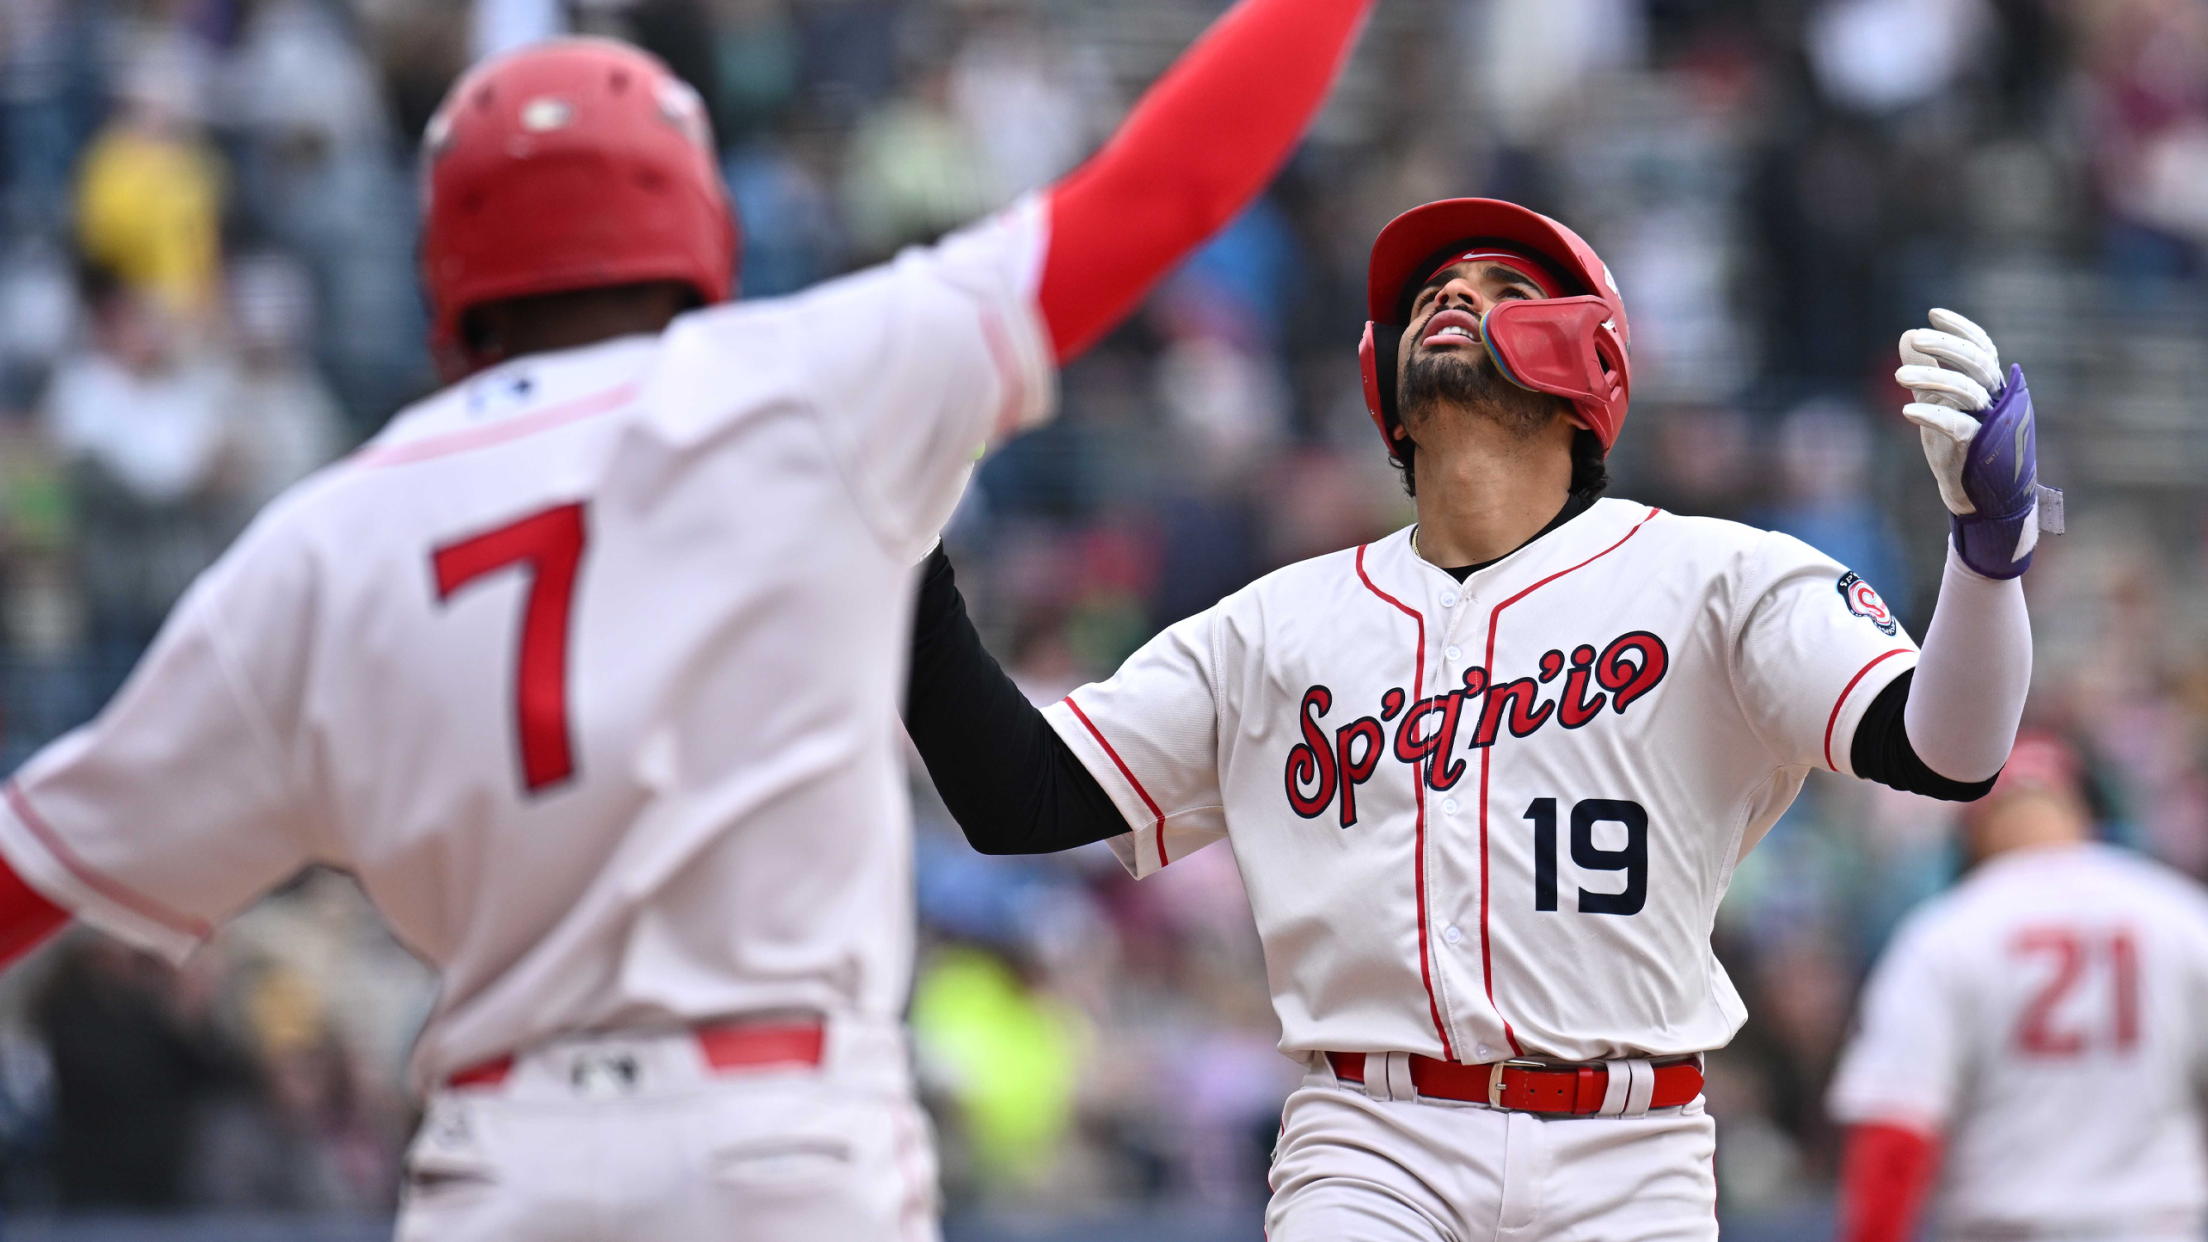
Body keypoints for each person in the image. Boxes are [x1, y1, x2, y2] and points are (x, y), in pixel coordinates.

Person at [0, 2, 1379, 1235]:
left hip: (505, 1157)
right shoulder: (810, 384)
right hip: (782, 1143)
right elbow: (1175, 182)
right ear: (695, 230)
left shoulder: (324, 540)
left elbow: (31, 869)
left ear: (449, 274)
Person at [903, 197, 2051, 1238]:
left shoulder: (1718, 578)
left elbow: (1947, 751)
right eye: (1432, 294)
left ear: (1591, 360)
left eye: (1504, 287)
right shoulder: (1272, 626)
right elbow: (1019, 797)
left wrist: (1987, 558)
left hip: (1630, 1152)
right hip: (1372, 1145)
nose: (1452, 295)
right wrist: (903, 557)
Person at [1827, 735, 2208, 1242]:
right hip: (2155, 1224)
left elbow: (1895, 1130)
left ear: (1977, 830)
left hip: (2007, 1223)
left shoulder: (1947, 932)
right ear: (2081, 813)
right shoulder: (2177, 913)